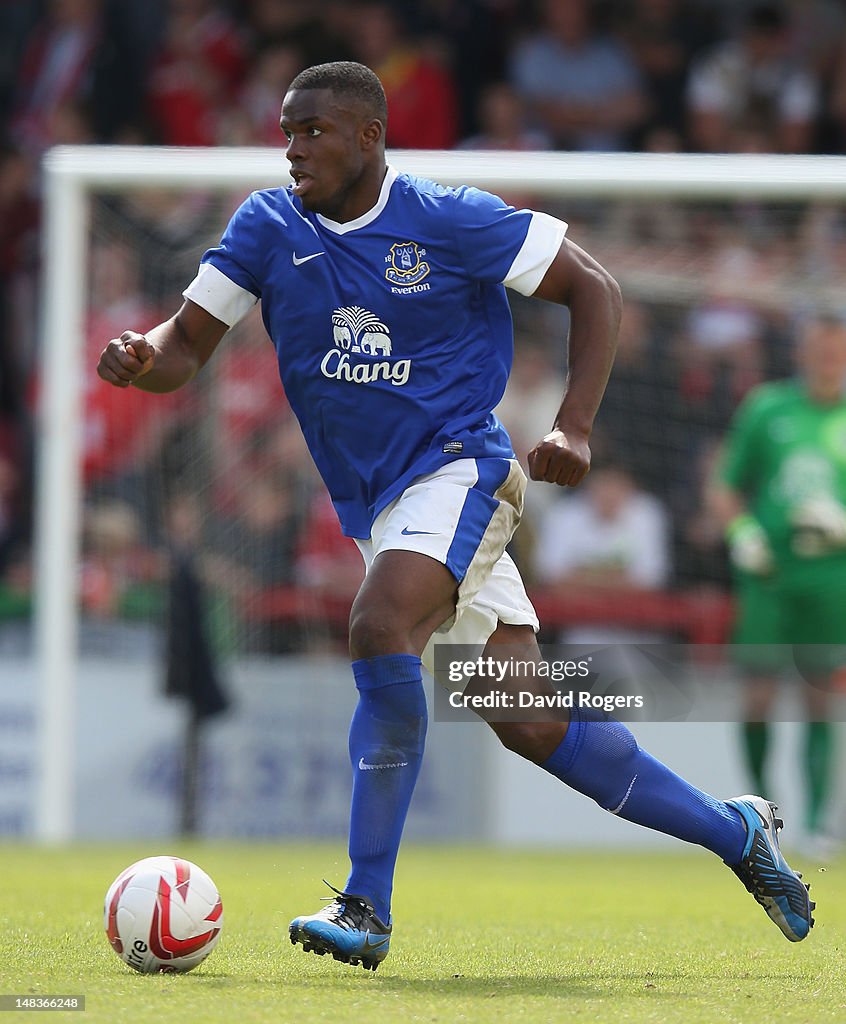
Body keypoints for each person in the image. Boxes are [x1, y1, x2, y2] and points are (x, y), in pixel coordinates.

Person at [97, 61, 814, 971]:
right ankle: (735, 832)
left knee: (377, 623)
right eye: (288, 130)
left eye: (315, 131)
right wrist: (137, 355)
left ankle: (366, 905)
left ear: (370, 137)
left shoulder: (447, 216)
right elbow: (183, 347)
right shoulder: (266, 226)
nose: (294, 148)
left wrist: (574, 427)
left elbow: (595, 285)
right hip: (381, 506)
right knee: (525, 717)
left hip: (462, 471)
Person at [711, 314, 846, 859]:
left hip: (830, 578)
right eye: (819, 350)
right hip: (769, 574)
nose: (827, 360)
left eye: (836, 352)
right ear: (803, 351)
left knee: (819, 699)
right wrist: (742, 532)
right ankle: (761, 815)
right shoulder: (768, 407)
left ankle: (816, 825)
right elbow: (725, 486)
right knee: (758, 696)